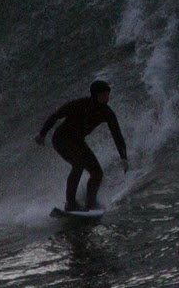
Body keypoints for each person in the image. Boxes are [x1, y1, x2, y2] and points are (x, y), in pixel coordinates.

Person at [36, 80, 129, 211]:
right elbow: (56, 116)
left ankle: (90, 203)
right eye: (103, 95)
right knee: (78, 164)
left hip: (78, 142)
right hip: (61, 139)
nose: (107, 98)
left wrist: (123, 157)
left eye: (107, 95)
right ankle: (70, 203)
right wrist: (42, 134)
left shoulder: (106, 112)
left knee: (97, 173)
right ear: (95, 95)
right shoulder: (79, 104)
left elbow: (117, 134)